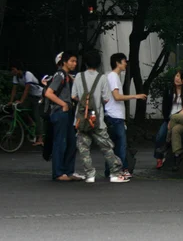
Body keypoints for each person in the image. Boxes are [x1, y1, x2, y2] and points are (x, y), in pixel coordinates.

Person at [71, 50, 130, 183]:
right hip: (96, 119)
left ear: (85, 63)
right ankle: (115, 174)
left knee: (83, 147)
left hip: (81, 118)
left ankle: (90, 174)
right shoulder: (102, 78)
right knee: (106, 146)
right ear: (98, 63)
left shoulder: (79, 77)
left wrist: (83, 102)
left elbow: (73, 96)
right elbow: (107, 99)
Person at [104, 53, 147, 179]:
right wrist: (136, 96)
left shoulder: (113, 76)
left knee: (111, 145)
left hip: (113, 115)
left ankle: (110, 171)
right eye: (124, 61)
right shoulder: (113, 77)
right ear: (117, 63)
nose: (126, 64)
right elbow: (117, 97)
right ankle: (120, 170)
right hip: (115, 116)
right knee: (121, 145)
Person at [44, 52, 79, 182]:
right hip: (60, 112)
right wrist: (63, 104)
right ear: (64, 62)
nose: (74, 63)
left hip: (67, 112)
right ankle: (59, 172)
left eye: (75, 61)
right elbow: (49, 93)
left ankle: (68, 171)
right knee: (60, 142)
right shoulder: (60, 75)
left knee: (71, 142)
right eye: (72, 61)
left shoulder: (67, 76)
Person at [8, 61, 44, 146]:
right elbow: (14, 90)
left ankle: (40, 139)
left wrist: (21, 100)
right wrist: (11, 101)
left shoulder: (28, 74)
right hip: (31, 96)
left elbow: (27, 89)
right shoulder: (16, 77)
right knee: (19, 107)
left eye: (12, 70)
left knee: (37, 115)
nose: (12, 72)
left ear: (17, 69)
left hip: (39, 95)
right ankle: (31, 122)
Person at [154, 70, 183, 169]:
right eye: (176, 75)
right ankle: (159, 158)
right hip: (169, 118)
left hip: (181, 118)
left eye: (180, 77)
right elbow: (165, 107)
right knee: (160, 135)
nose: (177, 78)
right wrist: (167, 119)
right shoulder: (169, 90)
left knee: (174, 133)